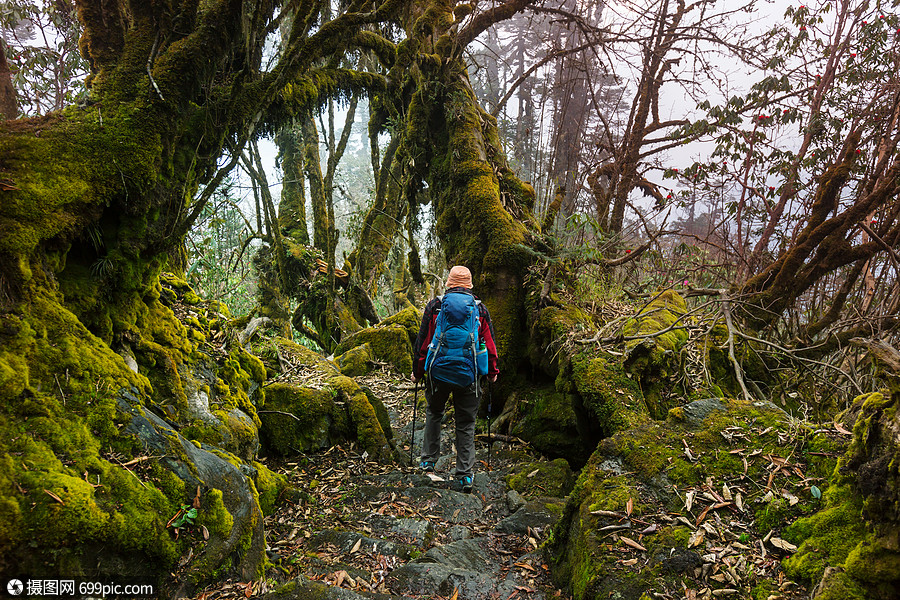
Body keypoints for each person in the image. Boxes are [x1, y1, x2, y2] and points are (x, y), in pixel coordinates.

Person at [411, 265, 499, 493]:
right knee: (466, 423)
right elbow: (489, 345)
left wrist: (418, 371)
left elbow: (423, 341)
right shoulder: (480, 310)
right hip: (469, 375)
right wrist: (492, 372)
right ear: (469, 285)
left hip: (438, 374)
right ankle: (465, 476)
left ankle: (428, 462)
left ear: (448, 283)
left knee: (434, 412)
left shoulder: (436, 306)